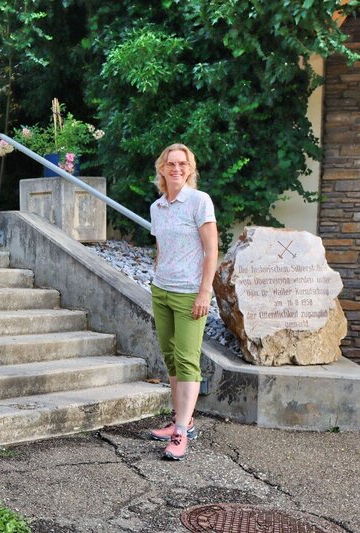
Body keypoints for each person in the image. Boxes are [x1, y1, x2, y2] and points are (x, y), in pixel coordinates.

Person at [148, 143, 218, 461]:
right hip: (161, 291)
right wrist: (157, 275)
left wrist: (205, 292)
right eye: (171, 163)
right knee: (171, 357)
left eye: (183, 163)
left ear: (191, 169)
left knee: (188, 359)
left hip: (190, 293)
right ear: (161, 168)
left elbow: (211, 250)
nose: (177, 168)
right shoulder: (157, 207)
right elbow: (162, 247)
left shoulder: (199, 201)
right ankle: (182, 419)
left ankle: (181, 433)